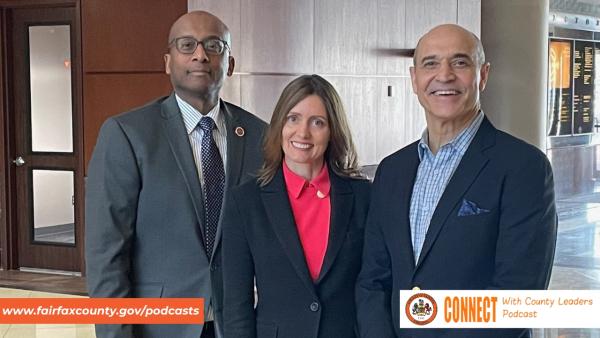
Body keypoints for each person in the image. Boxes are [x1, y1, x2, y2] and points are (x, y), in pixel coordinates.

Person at [356, 24, 557, 338]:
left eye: (460, 62)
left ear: (483, 75)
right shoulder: (392, 170)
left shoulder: (523, 168)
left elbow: (516, 295)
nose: (444, 75)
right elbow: (372, 280)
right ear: (414, 79)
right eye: (431, 63)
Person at [85, 10, 266, 338]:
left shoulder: (258, 136)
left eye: (214, 45)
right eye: (187, 45)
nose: (200, 54)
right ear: (168, 62)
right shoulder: (128, 134)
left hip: (238, 325)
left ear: (231, 63)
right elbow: (106, 254)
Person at [222, 74, 370, 338]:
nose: (303, 132)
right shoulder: (245, 202)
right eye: (293, 119)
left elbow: (374, 285)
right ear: (279, 124)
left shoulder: (363, 196)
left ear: (332, 130)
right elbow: (237, 306)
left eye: (318, 122)